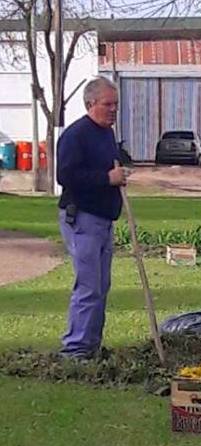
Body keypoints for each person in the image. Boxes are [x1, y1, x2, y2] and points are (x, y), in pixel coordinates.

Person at [57, 77, 127, 359]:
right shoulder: (75, 136)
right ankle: (75, 349)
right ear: (90, 104)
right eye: (108, 104)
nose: (113, 110)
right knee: (88, 285)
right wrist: (106, 178)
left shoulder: (106, 134)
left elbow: (111, 164)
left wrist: (119, 173)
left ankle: (92, 345)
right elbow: (66, 175)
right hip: (82, 217)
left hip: (103, 218)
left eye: (116, 105)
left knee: (101, 285)